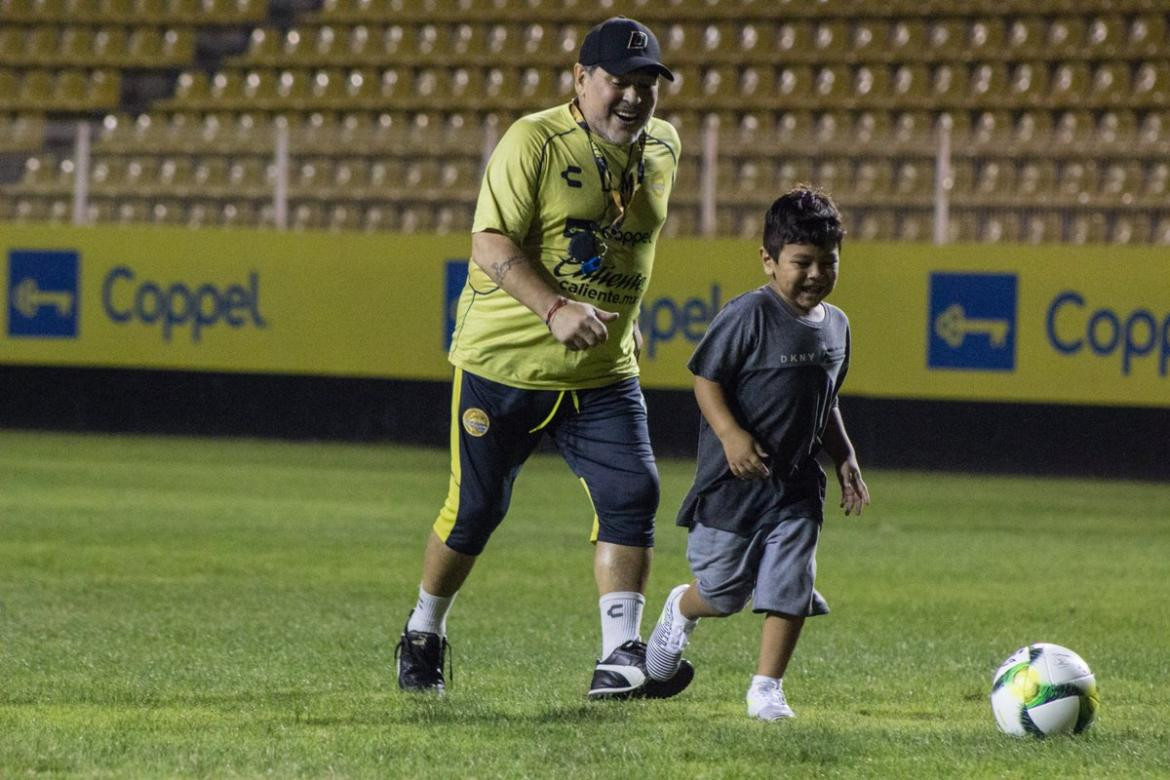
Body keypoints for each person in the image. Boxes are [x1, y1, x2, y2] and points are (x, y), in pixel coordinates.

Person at [395, 16, 693, 700]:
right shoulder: (532, 141)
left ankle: (619, 657)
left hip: (602, 372)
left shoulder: (666, 147)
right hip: (504, 365)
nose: (634, 97)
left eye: (648, 84)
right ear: (581, 78)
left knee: (634, 493)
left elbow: (627, 243)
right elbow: (491, 243)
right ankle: (423, 631)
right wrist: (555, 309)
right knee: (474, 512)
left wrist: (623, 322)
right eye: (619, 81)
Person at [643, 187, 871, 720]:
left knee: (791, 584)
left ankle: (767, 689)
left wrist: (845, 457)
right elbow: (705, 378)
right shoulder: (748, 314)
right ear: (769, 261)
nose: (815, 273)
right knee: (723, 594)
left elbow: (826, 399)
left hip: (794, 486)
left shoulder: (837, 327)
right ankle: (681, 607)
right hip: (733, 485)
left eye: (827, 262)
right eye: (801, 262)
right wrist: (730, 435)